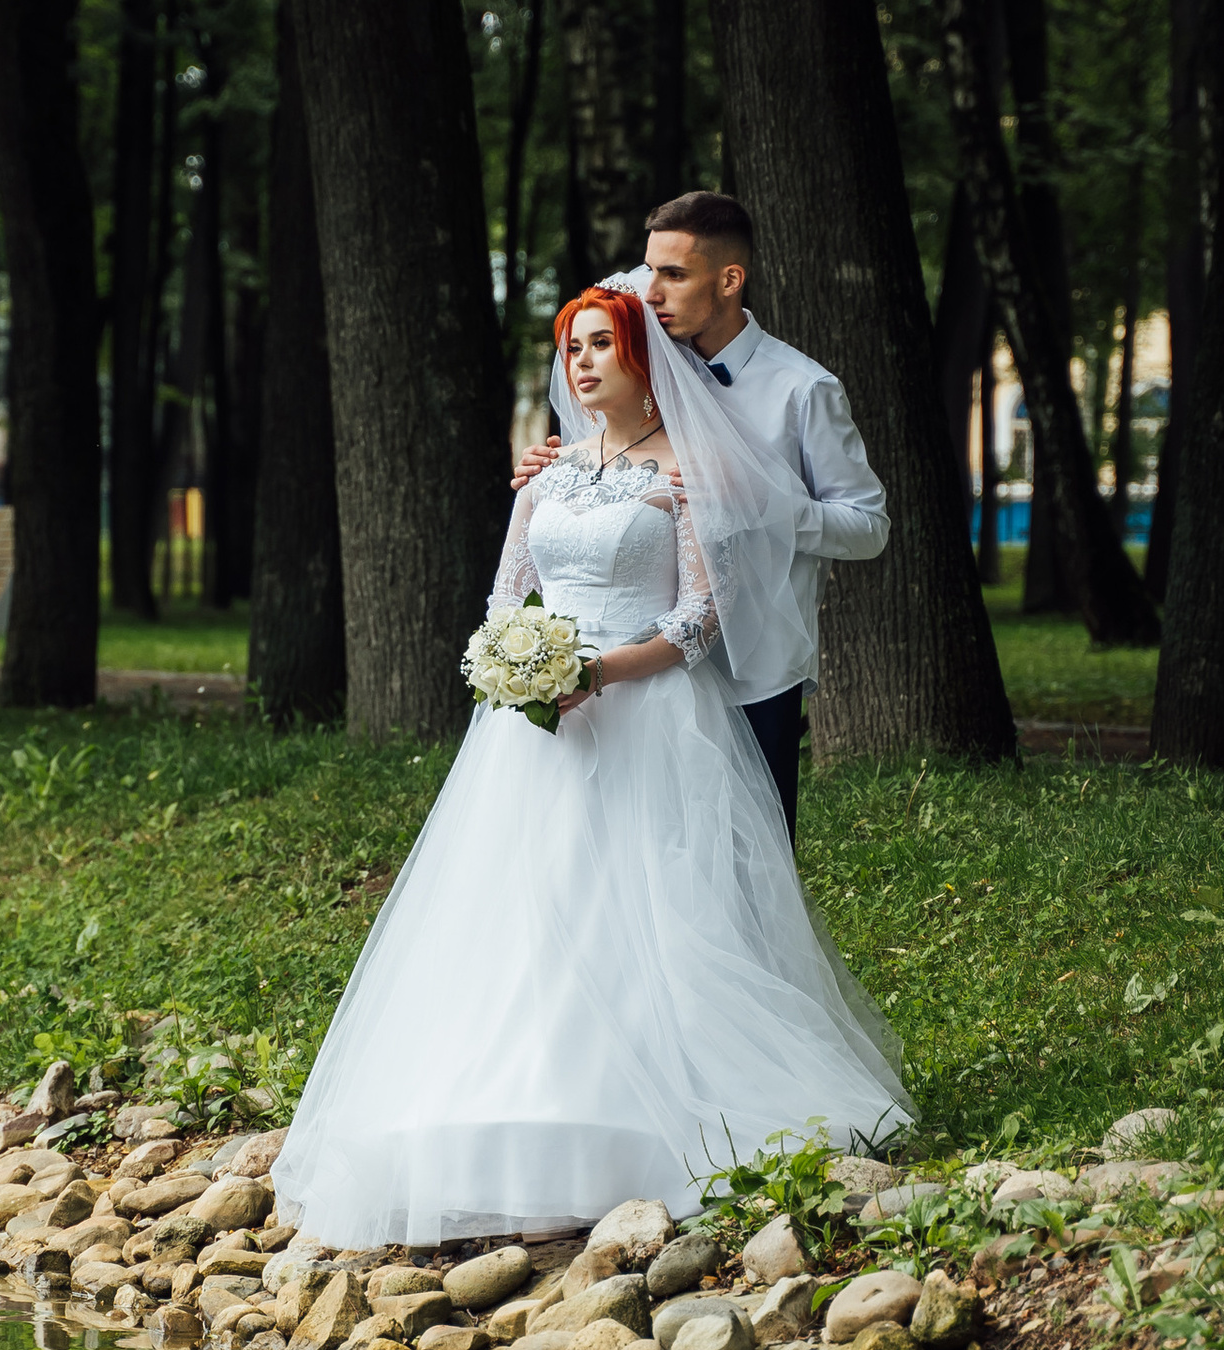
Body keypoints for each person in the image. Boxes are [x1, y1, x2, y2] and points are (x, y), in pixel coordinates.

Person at [274, 280, 906, 1253]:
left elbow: (699, 617)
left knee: (646, 906)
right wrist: (517, 665)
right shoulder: (544, 478)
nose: (580, 361)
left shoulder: (688, 476)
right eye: (569, 347)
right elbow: (503, 597)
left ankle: (650, 1124)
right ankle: (512, 1109)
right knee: (526, 907)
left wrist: (597, 669)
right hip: (531, 730)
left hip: (647, 713)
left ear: (643, 361)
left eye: (599, 343)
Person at [514, 189, 886, 841]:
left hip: (754, 670)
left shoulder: (804, 390)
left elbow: (868, 528)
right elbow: (603, 430)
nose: (649, 291)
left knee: (748, 868)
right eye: (650, 269)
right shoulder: (644, 359)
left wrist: (762, 503)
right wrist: (560, 467)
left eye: (673, 275)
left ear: (729, 280)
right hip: (639, 669)